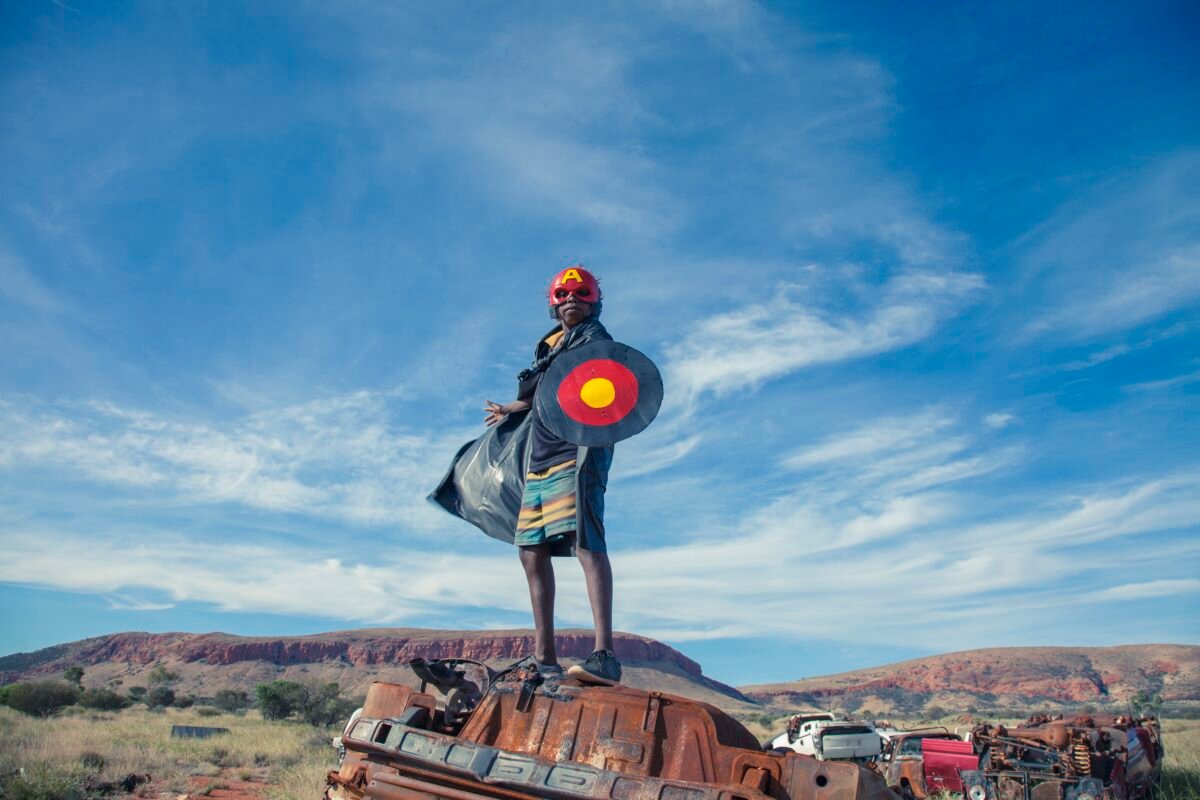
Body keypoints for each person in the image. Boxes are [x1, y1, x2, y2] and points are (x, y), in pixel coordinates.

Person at [480, 265, 621, 685]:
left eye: (581, 292)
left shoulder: (597, 342)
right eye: (563, 294)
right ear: (553, 304)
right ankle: (545, 658)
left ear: (594, 301)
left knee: (585, 542)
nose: (571, 298)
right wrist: (509, 408)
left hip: (576, 454)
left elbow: (607, 389)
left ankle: (605, 655)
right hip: (540, 459)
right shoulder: (549, 347)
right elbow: (544, 393)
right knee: (530, 550)